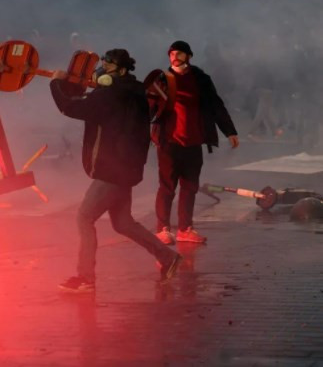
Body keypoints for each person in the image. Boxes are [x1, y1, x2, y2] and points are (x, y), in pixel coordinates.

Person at [51, 48, 182, 293]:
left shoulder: (112, 95)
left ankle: (85, 278)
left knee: (84, 218)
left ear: (121, 71)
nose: (103, 68)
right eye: (103, 63)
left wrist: (56, 83)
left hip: (111, 170)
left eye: (109, 65)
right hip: (127, 169)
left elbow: (70, 108)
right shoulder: (133, 92)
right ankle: (168, 258)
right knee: (123, 223)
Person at [152, 41, 239, 245]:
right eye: (172, 54)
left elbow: (216, 104)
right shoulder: (161, 79)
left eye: (179, 53)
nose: (175, 57)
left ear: (189, 56)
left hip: (193, 141)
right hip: (168, 142)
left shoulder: (200, 79)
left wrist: (229, 131)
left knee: (190, 187)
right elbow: (148, 107)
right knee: (167, 187)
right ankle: (163, 228)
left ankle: (185, 228)